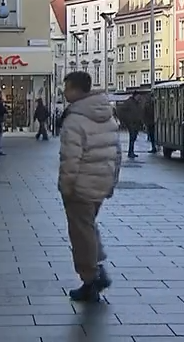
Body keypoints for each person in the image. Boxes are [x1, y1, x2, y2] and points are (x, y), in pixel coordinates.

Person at [58, 71, 121, 302]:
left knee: (81, 233)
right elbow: (117, 153)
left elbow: (70, 159)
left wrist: (66, 187)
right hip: (101, 182)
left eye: (67, 88)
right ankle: (96, 269)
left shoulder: (75, 119)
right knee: (88, 227)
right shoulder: (107, 115)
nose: (64, 93)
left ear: (76, 90)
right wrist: (112, 181)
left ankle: (91, 278)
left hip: (81, 185)